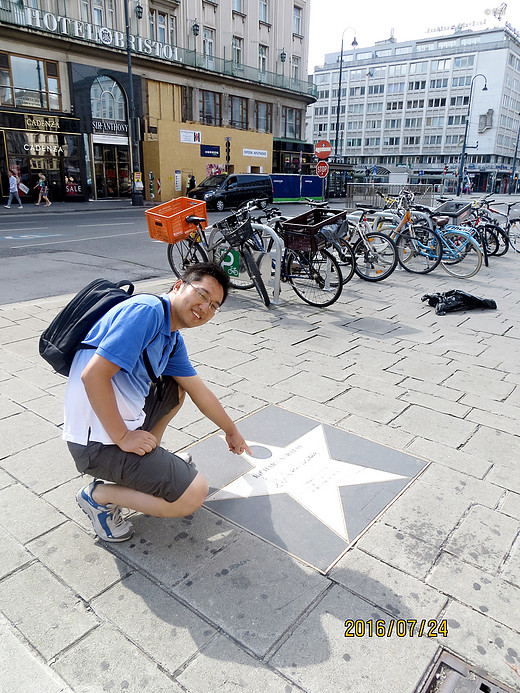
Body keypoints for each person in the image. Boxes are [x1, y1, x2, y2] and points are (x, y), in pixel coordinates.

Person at [64, 262, 251, 543]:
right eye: (202, 295)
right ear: (178, 285)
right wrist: (123, 437)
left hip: (116, 427)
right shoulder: (147, 311)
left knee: (175, 388)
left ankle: (148, 463)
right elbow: (93, 376)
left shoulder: (171, 336)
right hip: (96, 444)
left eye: (214, 305)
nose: (205, 308)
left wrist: (231, 430)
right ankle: (98, 498)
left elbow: (198, 390)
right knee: (193, 494)